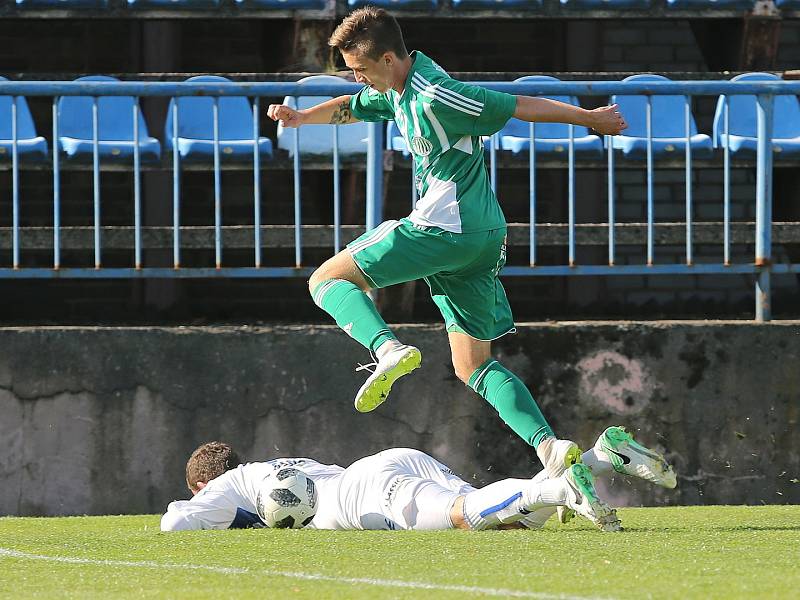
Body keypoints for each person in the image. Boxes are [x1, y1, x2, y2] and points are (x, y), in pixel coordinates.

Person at [266, 8, 629, 490]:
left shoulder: (440, 95)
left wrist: (589, 118)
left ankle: (387, 348)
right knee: (473, 365)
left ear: (390, 58)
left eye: (361, 68)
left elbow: (516, 104)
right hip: (480, 240)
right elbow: (354, 105)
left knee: (326, 279)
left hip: (444, 228)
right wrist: (302, 118)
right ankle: (552, 450)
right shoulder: (393, 89)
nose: (356, 76)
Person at [160, 426, 676, 533]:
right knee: (499, 519)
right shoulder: (278, 468)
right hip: (389, 462)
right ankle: (602, 458)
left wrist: (200, 513)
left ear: (205, 485)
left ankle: (561, 488)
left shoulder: (227, 487)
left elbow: (175, 527)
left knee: (465, 517)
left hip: (366, 496)